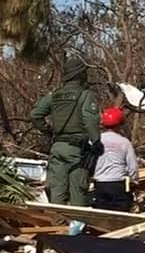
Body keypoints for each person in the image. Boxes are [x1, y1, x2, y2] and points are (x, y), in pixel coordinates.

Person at [31, 59, 101, 206]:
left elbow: (35, 115)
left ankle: (58, 225)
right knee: (78, 191)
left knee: (57, 192)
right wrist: (96, 141)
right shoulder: (85, 95)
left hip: (57, 147)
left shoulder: (54, 95)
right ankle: (76, 226)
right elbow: (90, 120)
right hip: (77, 150)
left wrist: (48, 131)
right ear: (81, 75)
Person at [91, 106, 138, 212]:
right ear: (119, 124)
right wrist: (134, 181)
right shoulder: (124, 142)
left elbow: (89, 161)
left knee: (102, 216)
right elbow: (133, 167)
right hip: (118, 185)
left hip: (100, 184)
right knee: (121, 216)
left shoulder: (96, 141)